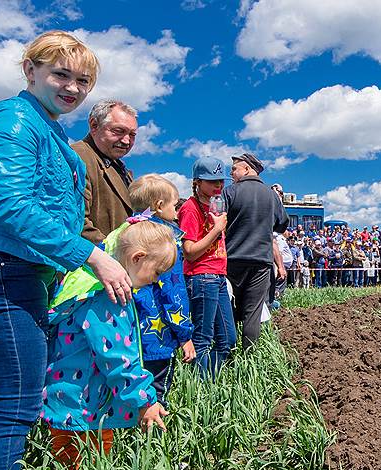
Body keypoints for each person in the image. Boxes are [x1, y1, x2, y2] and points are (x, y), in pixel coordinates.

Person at [0, 31, 132, 470]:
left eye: (82, 80)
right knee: (14, 402)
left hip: (28, 271)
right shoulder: (12, 121)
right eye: (61, 74)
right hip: (2, 267)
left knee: (25, 395)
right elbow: (12, 207)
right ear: (30, 70)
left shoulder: (47, 128)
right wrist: (91, 254)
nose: (72, 87)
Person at [42, 220, 173, 470]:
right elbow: (118, 359)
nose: (155, 281)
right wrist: (145, 400)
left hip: (66, 400)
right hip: (88, 408)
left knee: (65, 467)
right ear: (137, 258)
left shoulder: (84, 284)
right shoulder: (107, 299)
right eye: (157, 272)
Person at [121, 174, 195, 406]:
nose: (176, 211)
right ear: (159, 206)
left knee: (130, 389)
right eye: (174, 205)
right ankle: (152, 439)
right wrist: (184, 334)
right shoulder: (165, 242)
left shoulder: (125, 232)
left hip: (125, 330)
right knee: (156, 392)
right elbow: (173, 293)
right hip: (157, 333)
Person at [224, 153, 288, 349]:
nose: (231, 172)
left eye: (234, 169)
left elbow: (218, 222)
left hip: (232, 259)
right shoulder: (271, 195)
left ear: (247, 169)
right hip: (260, 261)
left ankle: (229, 354)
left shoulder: (229, 192)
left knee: (230, 309)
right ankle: (249, 357)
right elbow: (281, 225)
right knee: (253, 312)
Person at [179, 157, 234, 377]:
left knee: (228, 339)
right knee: (203, 339)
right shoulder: (190, 209)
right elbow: (190, 252)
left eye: (220, 181)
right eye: (212, 181)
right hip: (202, 277)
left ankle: (211, 381)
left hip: (217, 276)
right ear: (197, 182)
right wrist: (216, 229)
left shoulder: (214, 205)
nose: (218, 186)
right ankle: (200, 391)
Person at [73, 99, 138, 244]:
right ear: (94, 125)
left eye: (132, 135)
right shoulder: (78, 157)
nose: (127, 141)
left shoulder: (118, 166)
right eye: (119, 131)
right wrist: (117, 253)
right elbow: (77, 223)